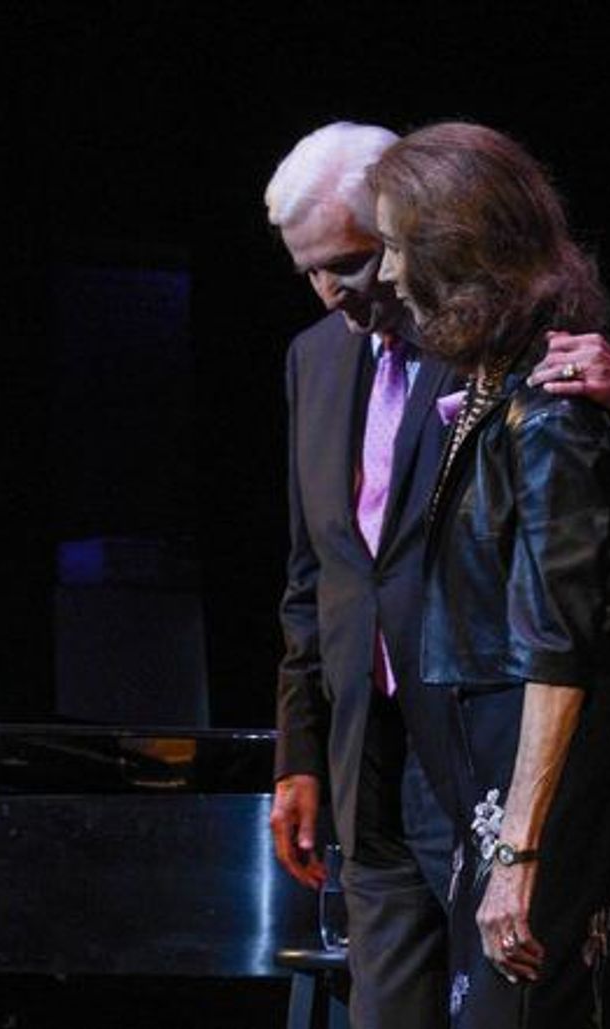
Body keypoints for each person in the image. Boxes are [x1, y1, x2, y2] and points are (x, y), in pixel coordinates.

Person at [372, 121, 610, 1028]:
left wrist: (520, 853)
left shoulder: (552, 405)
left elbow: (560, 643)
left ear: (453, 253)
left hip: (539, 795)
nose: (385, 275)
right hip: (493, 790)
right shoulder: (489, 391)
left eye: (395, 248)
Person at [266, 122, 459, 1029]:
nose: (332, 290)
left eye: (348, 260)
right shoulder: (317, 357)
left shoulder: (479, 338)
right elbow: (315, 577)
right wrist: (299, 753)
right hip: (362, 749)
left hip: (465, 737)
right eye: (309, 269)